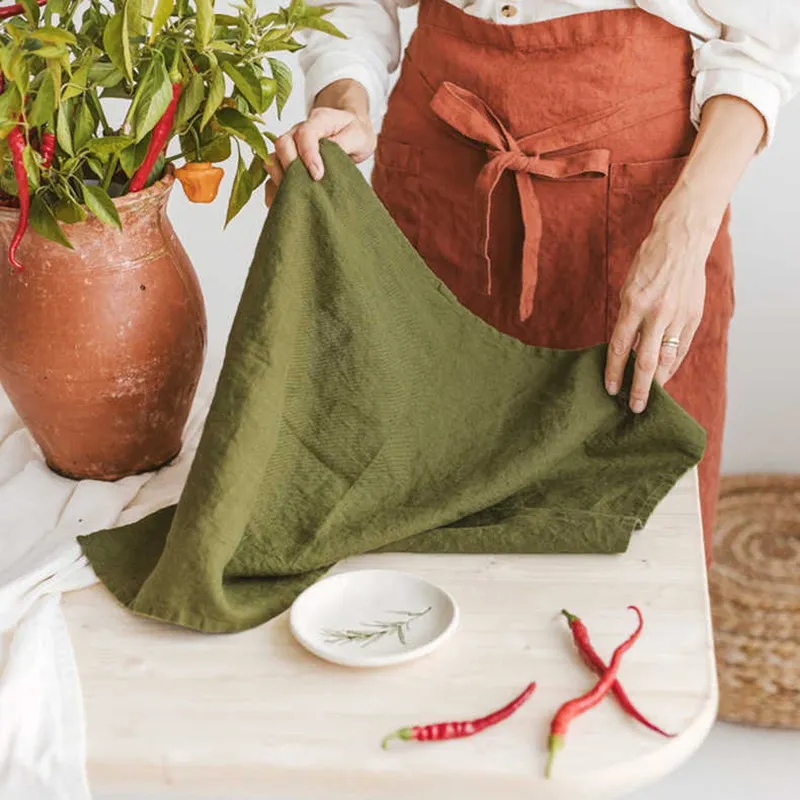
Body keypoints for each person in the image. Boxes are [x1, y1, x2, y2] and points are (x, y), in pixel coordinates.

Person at [263, 0, 800, 559]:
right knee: (418, 518)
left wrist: (688, 231)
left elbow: (761, 43)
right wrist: (343, 100)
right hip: (440, 183)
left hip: (641, 207)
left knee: (636, 549)